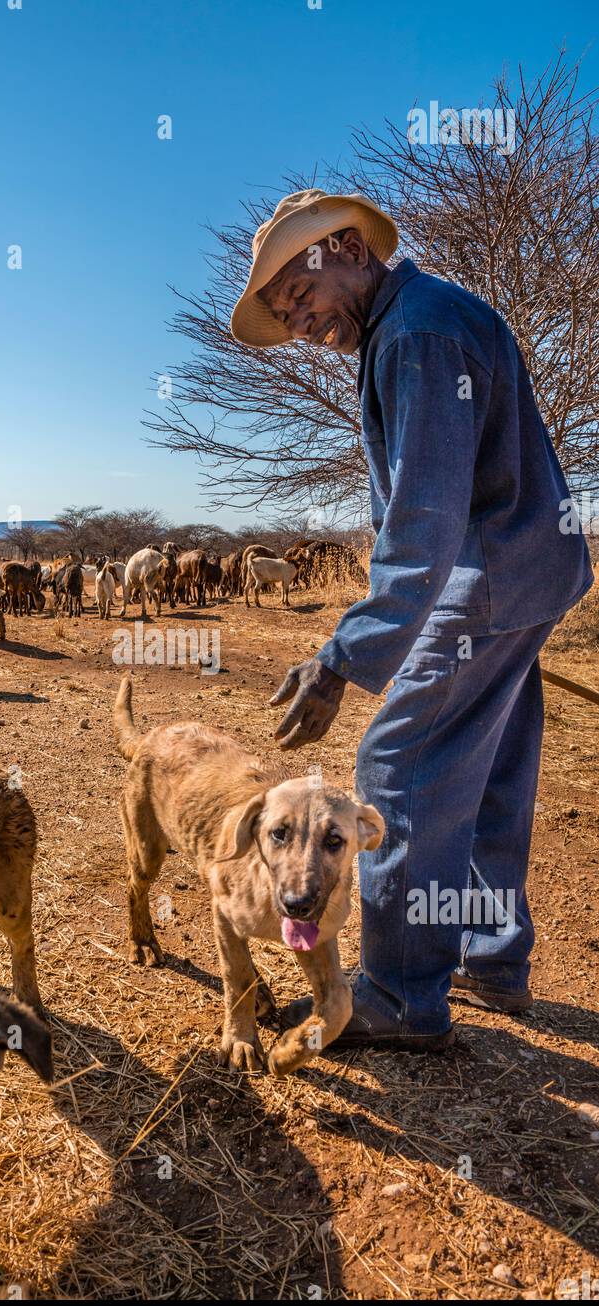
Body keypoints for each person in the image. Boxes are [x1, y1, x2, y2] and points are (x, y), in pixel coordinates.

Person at [230, 189, 593, 1048]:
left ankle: (396, 994)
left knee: (396, 766)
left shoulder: (418, 333)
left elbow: (424, 518)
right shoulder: (424, 319)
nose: (298, 319)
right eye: (283, 311)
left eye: (298, 292)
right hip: (526, 570)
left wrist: (345, 657)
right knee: (489, 768)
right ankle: (489, 955)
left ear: (348, 247)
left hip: (488, 579)